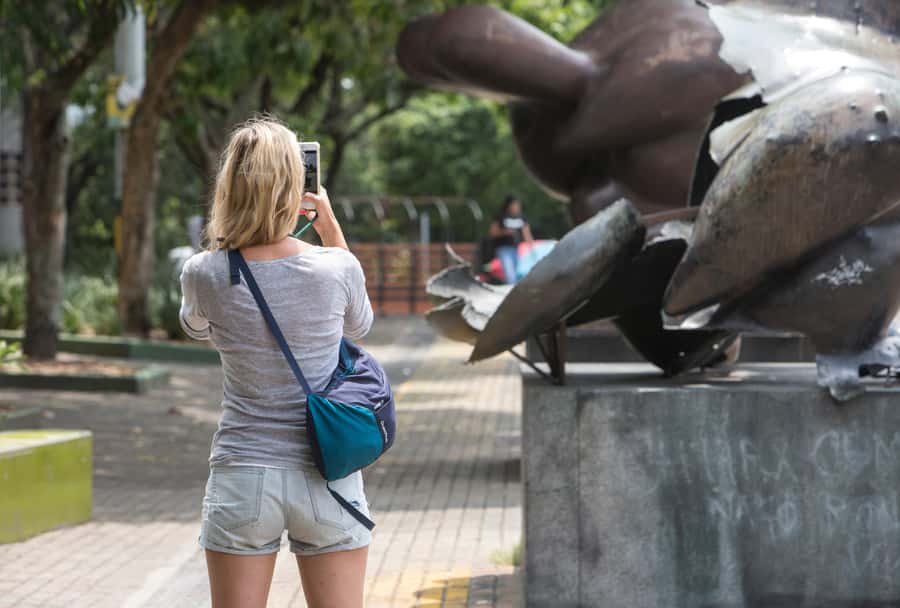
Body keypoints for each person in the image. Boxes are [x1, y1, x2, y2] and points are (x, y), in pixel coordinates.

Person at [178, 117, 374, 608]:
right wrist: (330, 229)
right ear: (296, 186)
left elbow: (196, 328)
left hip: (243, 474)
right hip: (327, 473)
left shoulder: (203, 272)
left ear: (231, 187)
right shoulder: (335, 267)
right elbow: (360, 325)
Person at [487, 194, 533, 283]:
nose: (516, 207)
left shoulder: (521, 218)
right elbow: (492, 233)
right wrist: (504, 232)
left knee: (516, 274)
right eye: (514, 205)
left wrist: (531, 246)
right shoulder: (501, 217)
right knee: (510, 275)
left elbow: (527, 233)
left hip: (516, 249)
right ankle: (510, 293)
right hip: (503, 249)